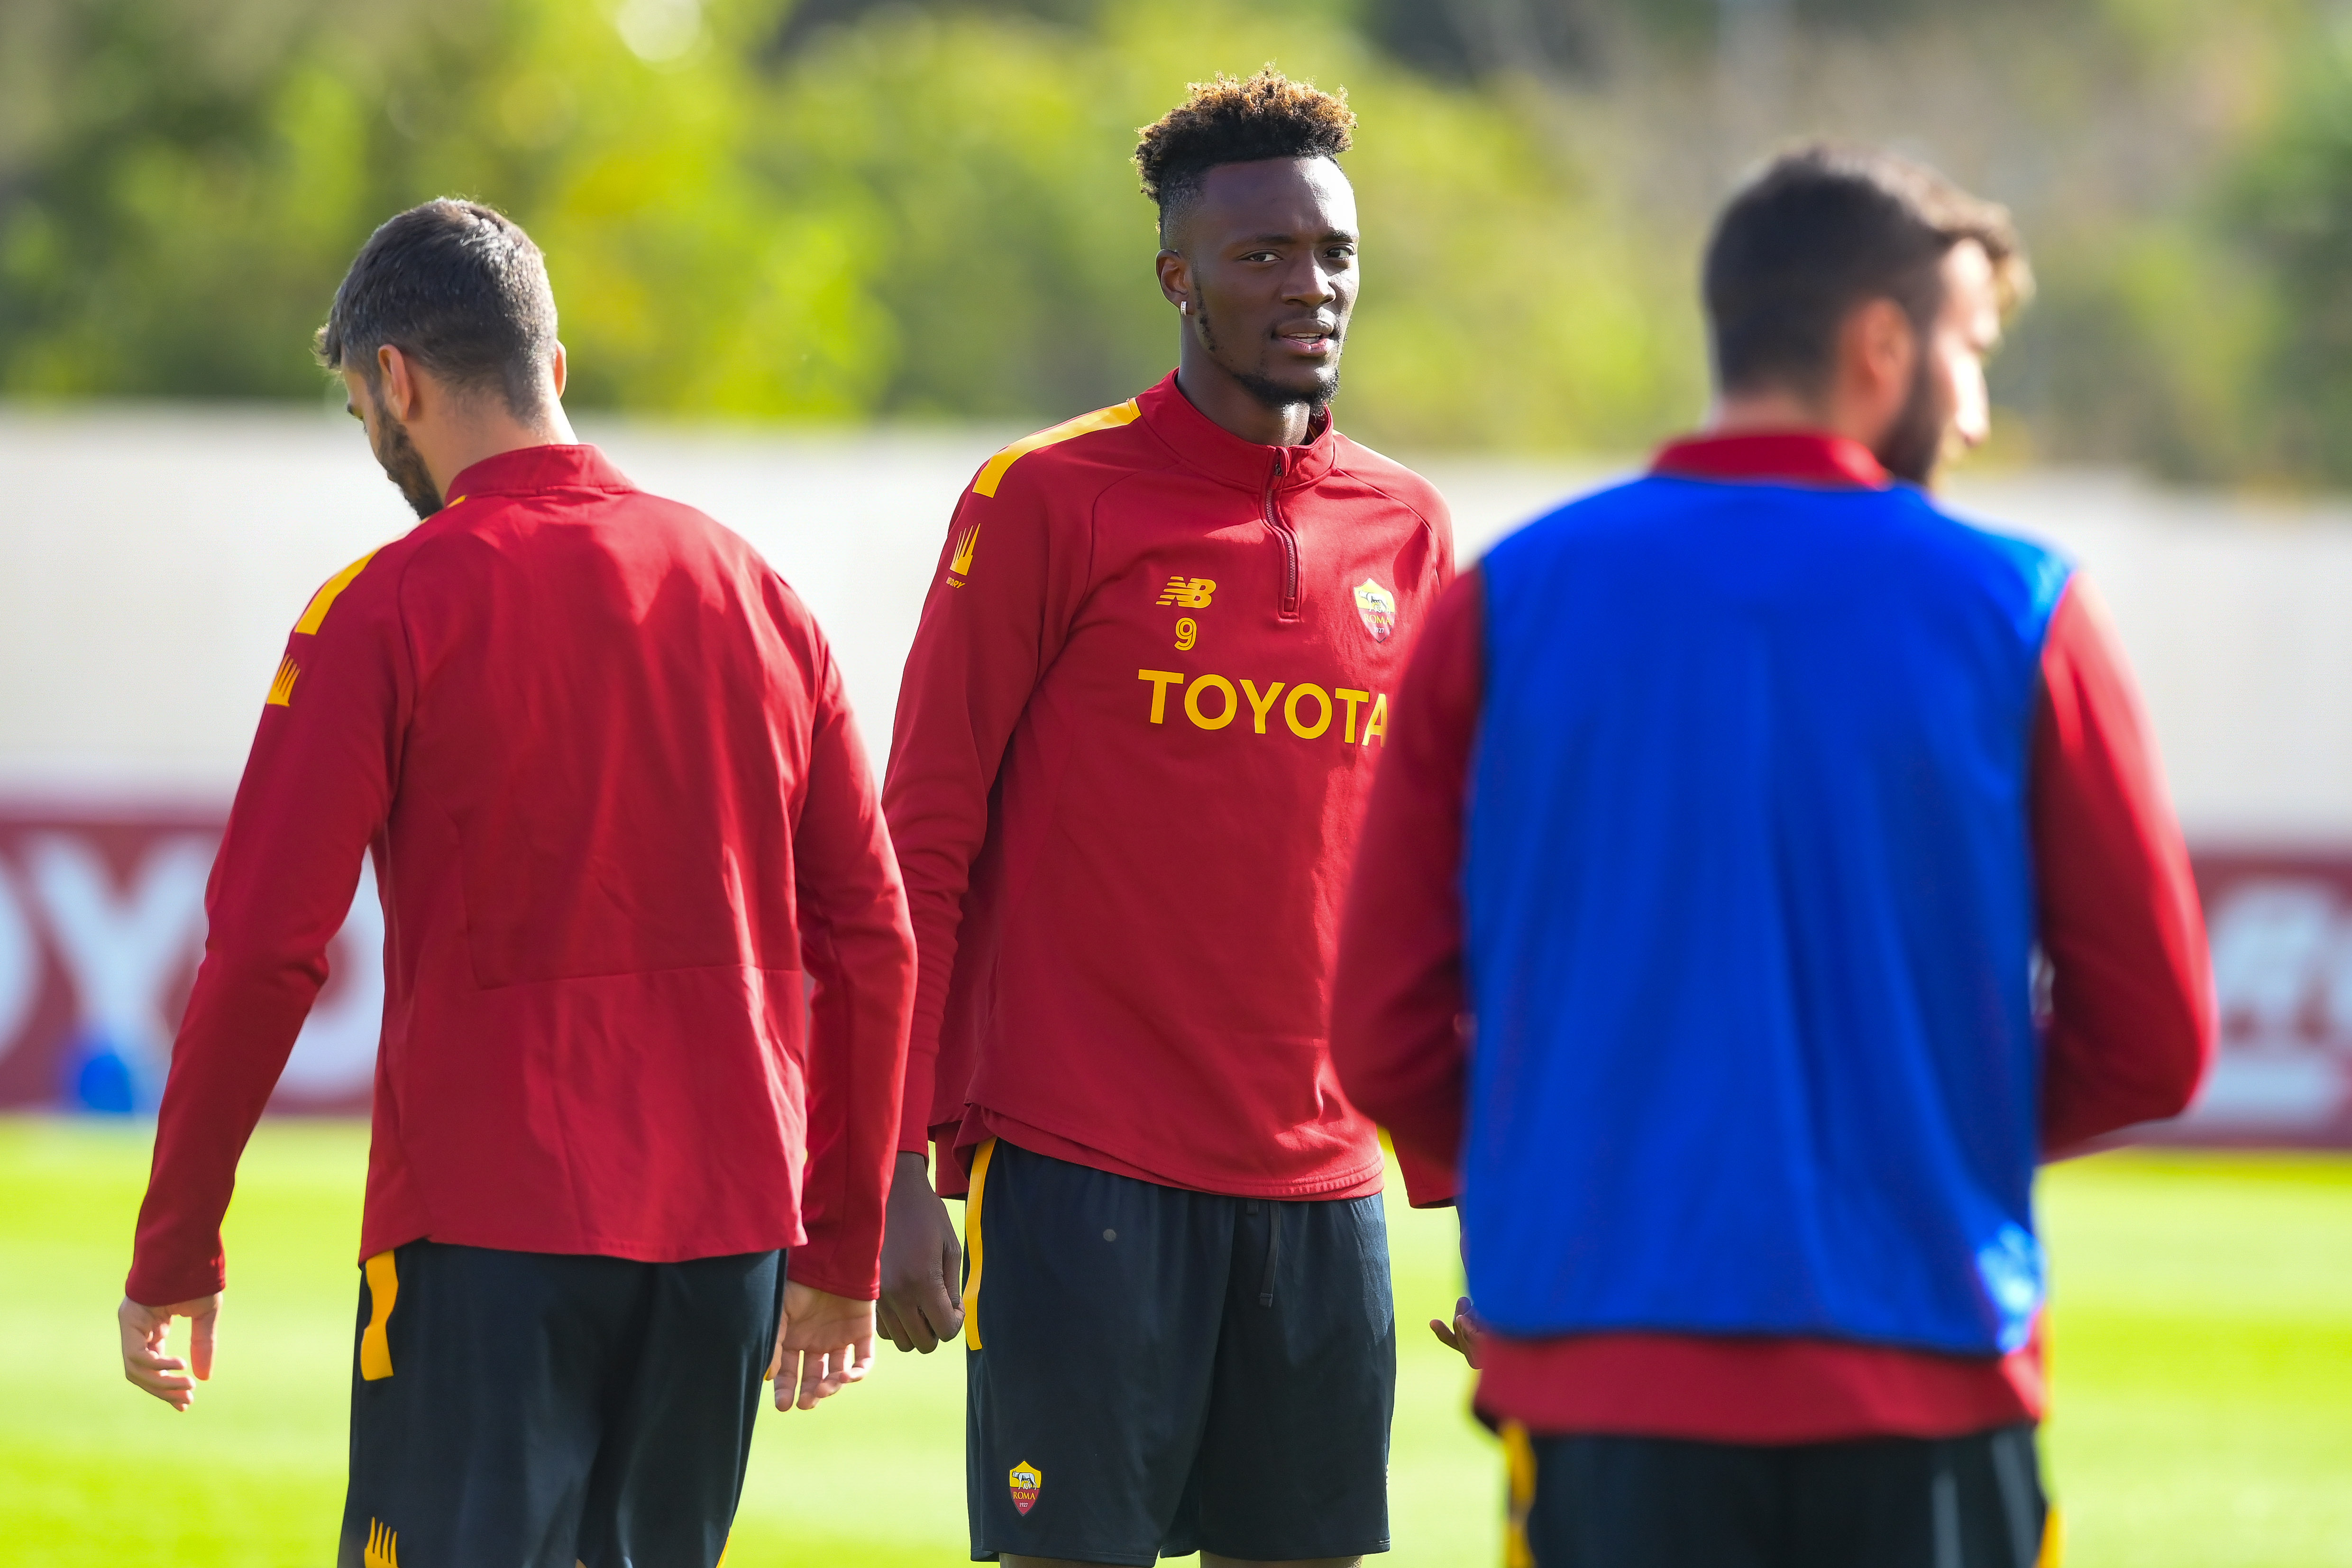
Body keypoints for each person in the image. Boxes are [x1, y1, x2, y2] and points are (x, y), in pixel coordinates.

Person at [1332, 145, 2215, 1568]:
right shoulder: (2022, 610)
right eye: (1970, 352)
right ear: (1882, 347)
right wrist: (1920, 1127)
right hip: (1924, 1373)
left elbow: (1378, 1034)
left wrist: (1572, 1151)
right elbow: (2157, 1039)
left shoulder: (1507, 602)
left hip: (1607, 1386)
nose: (1975, 413)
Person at [116, 199, 915, 1568]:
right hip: (726, 1242)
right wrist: (837, 1247)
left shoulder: (381, 606)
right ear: (556, 363)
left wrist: (177, 1248)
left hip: (487, 1231)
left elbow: (262, 948)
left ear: (398, 383)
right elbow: (876, 941)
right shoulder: (758, 593)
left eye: (364, 408)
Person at [877, 69, 1453, 1568]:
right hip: (1083, 1178)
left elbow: (1438, 887)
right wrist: (884, 1166)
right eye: (1261, 255)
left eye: (1331, 253)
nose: (1308, 287)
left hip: (1323, 1195)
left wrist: (1480, 1190)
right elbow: (918, 850)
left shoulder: (1409, 526)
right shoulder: (1045, 500)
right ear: (1176, 277)